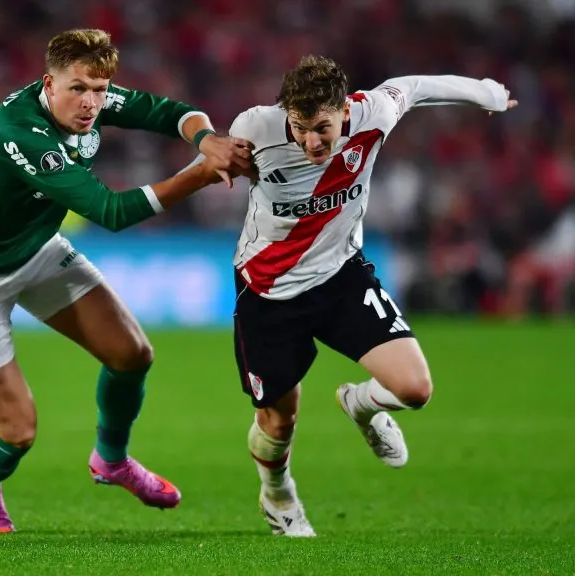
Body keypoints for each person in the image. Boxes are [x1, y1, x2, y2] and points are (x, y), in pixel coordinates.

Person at [0, 28, 254, 533]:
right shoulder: (21, 133)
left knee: (132, 354)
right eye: (78, 89)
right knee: (17, 431)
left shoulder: (90, 98)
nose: (91, 102)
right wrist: (201, 174)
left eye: (99, 89)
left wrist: (208, 140)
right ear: (48, 84)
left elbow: (169, 113)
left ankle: (111, 461)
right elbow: (110, 212)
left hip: (34, 248)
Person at [220, 55, 517, 537]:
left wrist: (486, 93)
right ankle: (278, 495)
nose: (311, 142)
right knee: (278, 422)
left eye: (322, 128)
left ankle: (360, 404)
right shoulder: (255, 127)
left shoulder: (372, 113)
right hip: (268, 291)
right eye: (300, 128)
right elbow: (219, 158)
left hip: (341, 276)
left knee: (415, 389)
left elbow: (415, 86)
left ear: (344, 111)